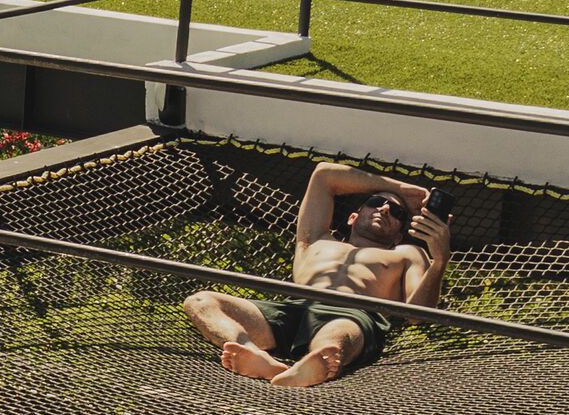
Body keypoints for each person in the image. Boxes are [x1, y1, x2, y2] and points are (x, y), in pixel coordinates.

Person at [182, 163, 452, 388]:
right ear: (353, 217)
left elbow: (417, 314)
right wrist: (400, 189)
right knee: (201, 302)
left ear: (398, 234)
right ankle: (252, 352)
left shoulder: (407, 253)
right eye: (376, 202)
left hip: (353, 314)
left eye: (397, 212)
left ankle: (315, 363)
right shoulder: (313, 239)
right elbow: (324, 175)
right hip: (292, 309)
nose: (384, 209)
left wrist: (439, 261)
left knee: (336, 336)